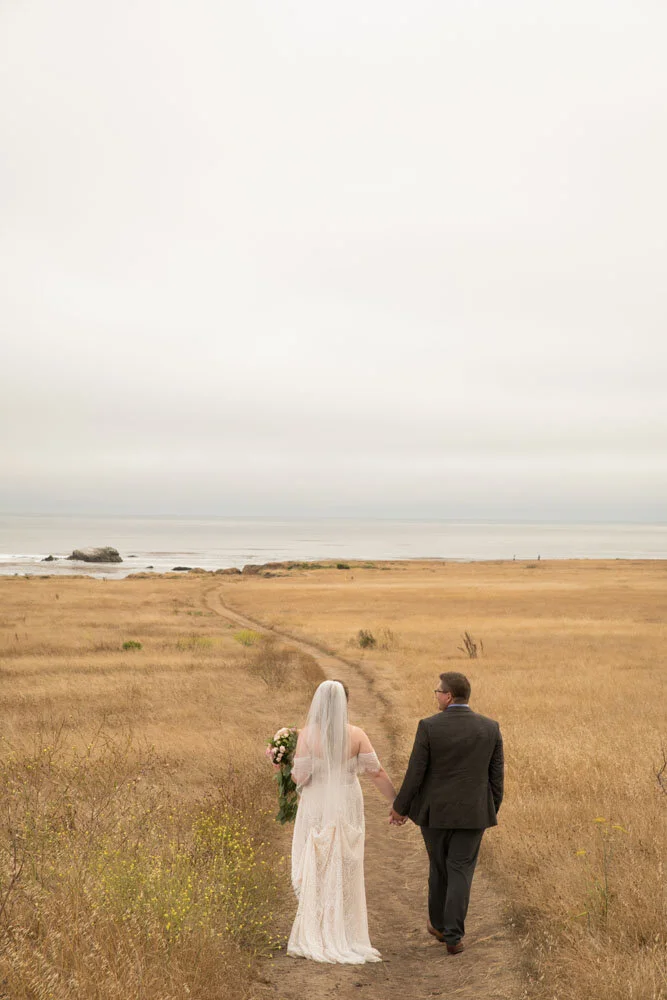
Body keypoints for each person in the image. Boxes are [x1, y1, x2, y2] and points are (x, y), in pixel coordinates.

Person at [390, 672, 504, 955]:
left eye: (438, 691)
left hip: (435, 815)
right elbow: (496, 778)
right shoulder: (490, 728)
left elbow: (415, 772)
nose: (436, 695)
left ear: (449, 696)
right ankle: (453, 937)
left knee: (439, 868)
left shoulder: (429, 726)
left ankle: (440, 926)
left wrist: (400, 808)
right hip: (474, 814)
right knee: (461, 872)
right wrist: (487, 809)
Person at [287, 679, 396, 963]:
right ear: (344, 704)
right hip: (347, 802)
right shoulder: (357, 734)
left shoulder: (308, 735)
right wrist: (397, 803)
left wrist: (283, 765)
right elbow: (377, 773)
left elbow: (300, 777)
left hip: (316, 801)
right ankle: (345, 928)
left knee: (315, 858)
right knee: (344, 860)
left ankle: (318, 926)